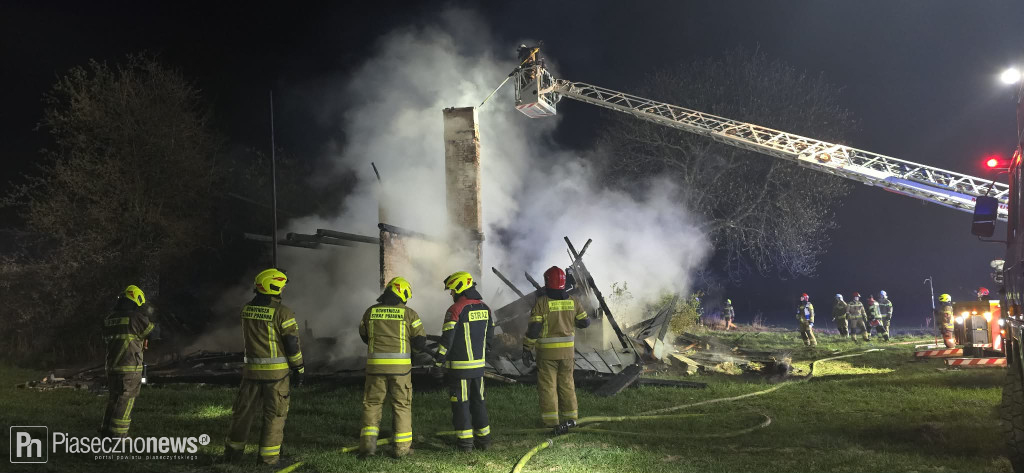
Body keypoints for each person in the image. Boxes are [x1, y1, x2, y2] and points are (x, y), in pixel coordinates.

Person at [224, 269, 304, 465]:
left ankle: (232, 455)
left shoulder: (246, 309)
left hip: (251, 373)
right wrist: (298, 368)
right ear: (273, 287)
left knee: (242, 414)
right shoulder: (283, 313)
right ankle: (268, 459)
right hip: (276, 376)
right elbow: (292, 345)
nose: (283, 289)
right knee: (275, 415)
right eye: (281, 286)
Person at [357, 277, 426, 458]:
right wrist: (414, 352)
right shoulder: (409, 314)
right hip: (401, 370)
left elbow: (364, 336)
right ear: (402, 294)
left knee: (372, 404)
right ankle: (402, 450)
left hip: (375, 368)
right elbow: (420, 341)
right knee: (402, 405)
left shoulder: (370, 312)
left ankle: (367, 448)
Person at [522, 266, 590, 427]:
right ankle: (571, 420)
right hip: (567, 354)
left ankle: (551, 421)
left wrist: (526, 348)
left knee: (548, 386)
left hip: (547, 355)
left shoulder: (541, 303)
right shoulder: (573, 301)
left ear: (547, 282)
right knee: (567, 384)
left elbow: (534, 329)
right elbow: (585, 322)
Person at [436, 271, 495, 452]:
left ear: (461, 288)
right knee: (479, 402)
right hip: (478, 368)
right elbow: (490, 339)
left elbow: (447, 341)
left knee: (461, 405)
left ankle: (465, 444)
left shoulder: (455, 310)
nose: (451, 294)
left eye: (452, 290)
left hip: (460, 370)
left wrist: (438, 363)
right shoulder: (485, 308)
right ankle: (484, 441)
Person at [100, 285, 155, 438]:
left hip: (112, 366)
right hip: (129, 366)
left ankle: (106, 431)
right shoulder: (136, 318)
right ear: (135, 300)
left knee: (114, 398)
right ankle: (119, 436)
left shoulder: (109, 319)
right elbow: (153, 332)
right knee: (126, 399)